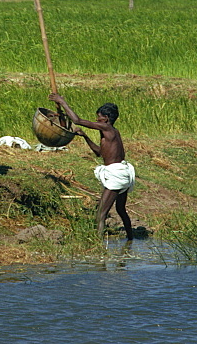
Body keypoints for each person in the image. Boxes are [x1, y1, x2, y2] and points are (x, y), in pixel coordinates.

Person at [50, 93, 135, 240]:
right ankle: (131, 240)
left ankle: (98, 247)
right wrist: (85, 136)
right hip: (123, 173)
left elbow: (77, 120)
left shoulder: (107, 128)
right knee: (120, 209)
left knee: (101, 214)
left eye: (99, 117)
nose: (97, 120)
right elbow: (99, 153)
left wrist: (62, 101)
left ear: (106, 119)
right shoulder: (112, 133)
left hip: (116, 174)